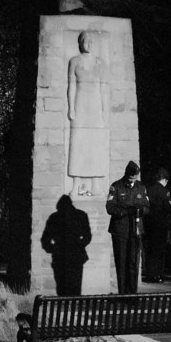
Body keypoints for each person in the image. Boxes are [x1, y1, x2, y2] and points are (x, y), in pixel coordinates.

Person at [67, 30, 110, 196]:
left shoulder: (100, 64)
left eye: (92, 41)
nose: (89, 44)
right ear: (80, 43)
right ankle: (76, 184)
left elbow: (104, 89)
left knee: (95, 144)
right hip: (80, 104)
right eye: (86, 41)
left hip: (95, 106)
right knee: (78, 143)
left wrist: (105, 110)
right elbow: (71, 86)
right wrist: (71, 108)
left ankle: (96, 184)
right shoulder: (74, 61)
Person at [106, 161, 149, 294]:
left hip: (135, 229)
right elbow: (110, 207)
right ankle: (123, 293)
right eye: (130, 178)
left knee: (133, 262)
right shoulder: (116, 186)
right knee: (122, 262)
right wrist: (126, 211)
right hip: (120, 230)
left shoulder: (140, 187)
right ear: (126, 175)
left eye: (135, 178)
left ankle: (132, 293)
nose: (132, 181)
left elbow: (147, 206)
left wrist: (141, 210)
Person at [41, 195, 92, 295]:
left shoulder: (55, 217)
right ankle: (73, 306)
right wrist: (79, 245)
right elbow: (87, 236)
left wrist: (53, 249)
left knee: (62, 286)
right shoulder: (80, 215)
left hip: (64, 254)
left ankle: (66, 307)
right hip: (70, 254)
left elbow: (45, 239)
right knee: (74, 285)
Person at [143, 167, 171, 283]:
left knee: (150, 249)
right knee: (159, 250)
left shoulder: (149, 189)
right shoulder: (164, 191)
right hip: (160, 224)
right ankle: (157, 274)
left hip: (149, 223)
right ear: (165, 180)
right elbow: (168, 207)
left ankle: (149, 273)